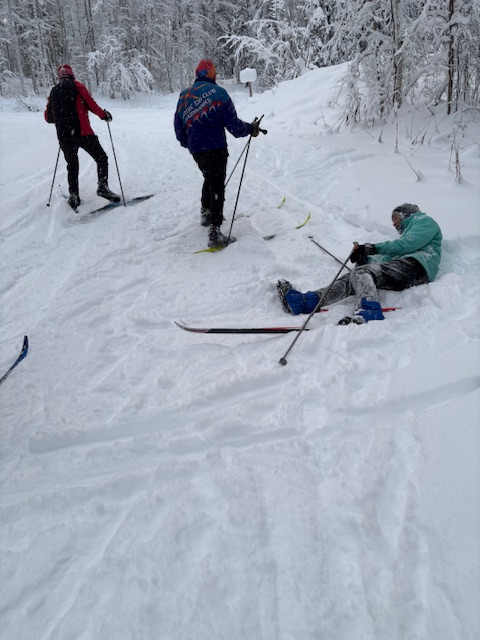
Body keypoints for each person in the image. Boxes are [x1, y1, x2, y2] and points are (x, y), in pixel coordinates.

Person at [277, 204, 443, 324]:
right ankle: (306, 302)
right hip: (406, 267)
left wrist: (371, 248)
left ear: (406, 213)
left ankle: (370, 311)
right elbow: (387, 261)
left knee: (361, 273)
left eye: (395, 217)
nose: (394, 224)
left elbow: (407, 245)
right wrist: (366, 259)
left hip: (419, 266)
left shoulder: (423, 220)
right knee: (354, 277)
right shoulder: (408, 235)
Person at [174, 58, 260, 248]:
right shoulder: (220, 94)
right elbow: (234, 126)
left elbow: (178, 128)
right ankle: (214, 230)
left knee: (209, 178)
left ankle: (206, 213)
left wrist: (189, 143)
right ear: (212, 73)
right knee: (217, 185)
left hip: (196, 150)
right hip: (216, 147)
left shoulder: (184, 95)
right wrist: (251, 128)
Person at [45, 64, 120, 209]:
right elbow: (91, 104)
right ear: (72, 74)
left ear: (59, 76)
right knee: (101, 157)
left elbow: (48, 118)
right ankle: (102, 187)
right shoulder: (78, 86)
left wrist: (62, 118)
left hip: (64, 136)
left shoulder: (53, 91)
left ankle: (74, 195)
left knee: (72, 165)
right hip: (83, 133)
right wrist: (104, 115)